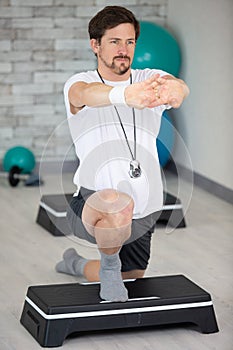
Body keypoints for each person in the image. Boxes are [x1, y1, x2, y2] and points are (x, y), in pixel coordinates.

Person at [56, 5, 189, 302]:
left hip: (146, 209)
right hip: (92, 204)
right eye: (114, 41)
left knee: (133, 277)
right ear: (96, 45)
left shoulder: (148, 76)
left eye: (129, 42)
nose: (123, 49)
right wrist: (125, 95)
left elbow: (177, 86)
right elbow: (85, 95)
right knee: (118, 203)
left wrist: (176, 91)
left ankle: (76, 263)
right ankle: (110, 265)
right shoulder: (80, 82)